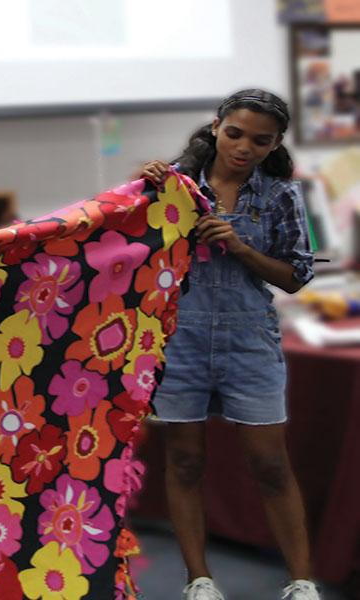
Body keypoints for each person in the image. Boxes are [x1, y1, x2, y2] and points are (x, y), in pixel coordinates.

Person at [139, 89, 319, 600]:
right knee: (186, 461)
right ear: (216, 126)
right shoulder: (173, 184)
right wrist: (141, 189)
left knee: (270, 463)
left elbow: (294, 276)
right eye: (235, 133)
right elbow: (131, 246)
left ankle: (302, 583)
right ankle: (200, 581)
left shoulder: (281, 194)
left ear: (275, 144)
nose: (244, 147)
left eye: (260, 141)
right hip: (181, 339)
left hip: (249, 340)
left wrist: (240, 247)